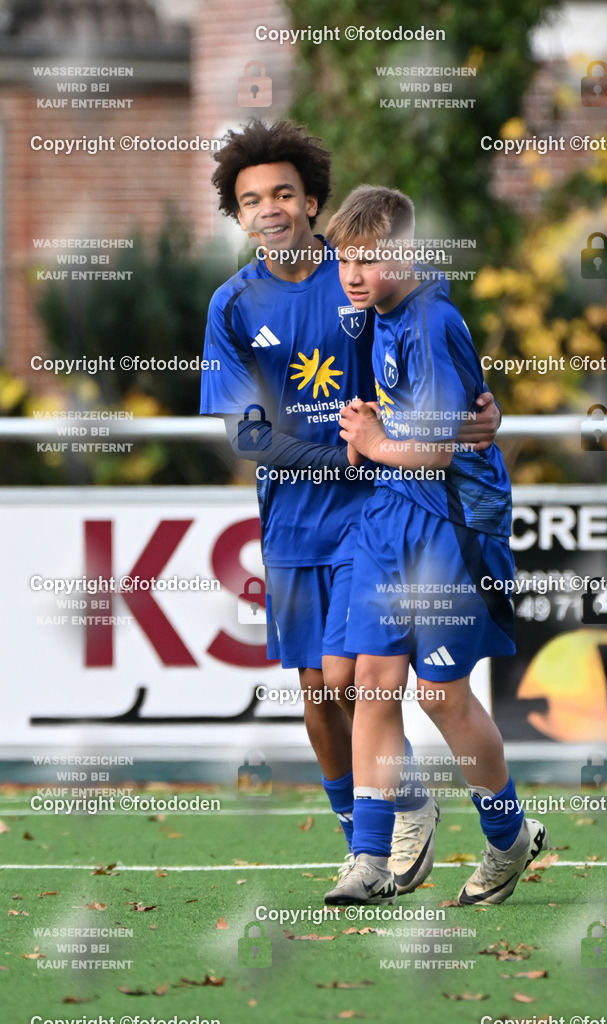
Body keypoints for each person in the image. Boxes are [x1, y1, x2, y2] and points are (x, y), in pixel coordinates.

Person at [200, 120, 501, 892]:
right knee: (319, 696)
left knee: (361, 681)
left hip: (382, 507)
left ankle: (384, 843)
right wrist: (352, 450)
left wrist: (475, 414)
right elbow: (247, 435)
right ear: (236, 216)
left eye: (282, 193)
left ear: (311, 202)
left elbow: (434, 343)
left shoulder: (359, 272)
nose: (267, 209)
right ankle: (378, 825)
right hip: (298, 514)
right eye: (249, 199)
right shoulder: (232, 305)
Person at [322, 185, 547, 907]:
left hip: (452, 524)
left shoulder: (429, 320)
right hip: (392, 516)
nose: (353, 274)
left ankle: (508, 836)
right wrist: (368, 428)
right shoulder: (378, 316)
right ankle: (369, 858)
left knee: (440, 695)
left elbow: (444, 450)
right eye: (345, 260)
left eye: (369, 259)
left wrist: (377, 440)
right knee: (369, 682)